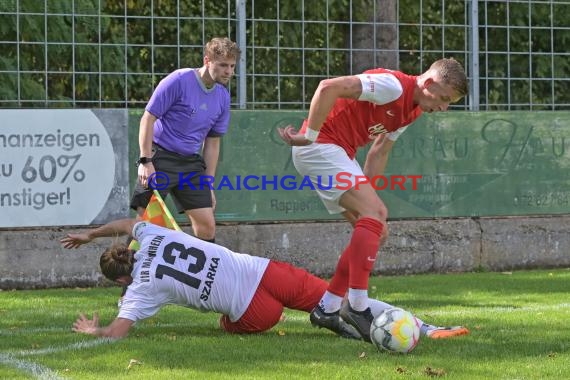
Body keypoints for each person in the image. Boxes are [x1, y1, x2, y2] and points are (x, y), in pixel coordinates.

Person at [277, 58, 469, 342]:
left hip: (338, 152)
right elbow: (328, 87)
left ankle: (327, 308)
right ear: (428, 84)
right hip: (321, 146)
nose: (443, 108)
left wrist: (371, 204)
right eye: (443, 99)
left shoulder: (413, 110)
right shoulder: (392, 87)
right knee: (375, 215)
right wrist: (309, 135)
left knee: (377, 230)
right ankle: (357, 306)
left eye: (449, 103)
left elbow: (379, 151)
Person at [61, 219, 469, 341]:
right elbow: (128, 223)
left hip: (256, 312)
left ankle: (345, 324)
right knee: (337, 295)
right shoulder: (151, 234)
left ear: (121, 281)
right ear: (128, 249)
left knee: (223, 322)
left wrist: (93, 329)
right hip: (265, 270)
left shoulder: (140, 290)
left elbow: (117, 332)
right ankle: (425, 328)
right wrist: (90, 234)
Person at [132, 36, 241, 243]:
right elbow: (147, 118)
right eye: (223, 65)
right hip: (160, 157)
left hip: (191, 164)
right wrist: (145, 161)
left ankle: (205, 275)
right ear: (207, 60)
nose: (229, 72)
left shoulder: (223, 96)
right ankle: (129, 274)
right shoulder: (179, 80)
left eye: (232, 66)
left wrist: (208, 183)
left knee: (207, 227)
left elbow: (213, 142)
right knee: (143, 224)